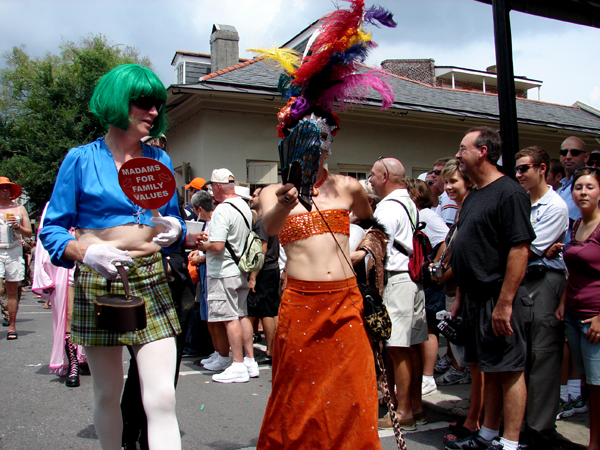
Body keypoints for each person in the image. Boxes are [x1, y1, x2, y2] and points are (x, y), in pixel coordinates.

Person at [39, 64, 183, 450]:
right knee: (106, 393)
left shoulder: (161, 161)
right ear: (118, 102)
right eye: (142, 103)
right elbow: (51, 230)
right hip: (98, 281)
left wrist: (177, 230)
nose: (152, 112)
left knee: (162, 397)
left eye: (156, 104)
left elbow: (174, 222)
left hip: (151, 277)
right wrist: (85, 251)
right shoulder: (80, 159)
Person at [447, 127, 535, 450]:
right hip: (476, 299)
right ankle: (487, 435)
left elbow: (519, 249)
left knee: (510, 370)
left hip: (500, 298)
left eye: (463, 148)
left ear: (482, 151)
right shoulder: (476, 194)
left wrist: (505, 303)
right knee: (492, 370)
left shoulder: (509, 193)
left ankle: (510, 443)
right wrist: (461, 298)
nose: (458, 155)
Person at [514, 146, 569, 446]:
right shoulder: (519, 201)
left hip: (544, 282)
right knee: (522, 353)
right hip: (521, 281)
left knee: (544, 354)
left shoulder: (555, 206)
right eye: (517, 169)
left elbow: (526, 248)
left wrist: (525, 246)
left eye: (524, 168)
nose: (519, 174)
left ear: (543, 169)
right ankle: (519, 422)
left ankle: (540, 426)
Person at [370, 158, 429, 432]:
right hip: (412, 280)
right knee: (412, 345)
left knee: (397, 348)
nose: (370, 180)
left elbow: (378, 250)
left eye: (372, 175)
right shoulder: (410, 202)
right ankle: (414, 406)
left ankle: (403, 412)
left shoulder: (387, 207)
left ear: (384, 176)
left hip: (398, 281)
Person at [197, 168, 258, 383]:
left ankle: (238, 364)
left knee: (230, 317)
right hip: (240, 268)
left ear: (217, 186)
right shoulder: (244, 205)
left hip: (223, 270)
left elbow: (217, 246)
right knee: (241, 315)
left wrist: (202, 244)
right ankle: (249, 361)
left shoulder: (222, 209)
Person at [556, 167, 600, 450]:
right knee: (586, 383)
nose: (583, 192)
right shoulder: (575, 226)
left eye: (590, 187)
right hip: (573, 313)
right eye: (578, 187)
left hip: (594, 317)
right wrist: (562, 303)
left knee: (597, 386)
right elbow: (572, 271)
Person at [33, 203, 87, 387]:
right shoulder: (55, 204)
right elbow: (44, 238)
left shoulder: (95, 196)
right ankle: (73, 364)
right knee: (68, 315)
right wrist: (44, 275)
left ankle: (85, 358)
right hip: (66, 264)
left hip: (93, 261)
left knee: (94, 314)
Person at [403, 178, 448, 400]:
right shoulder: (416, 216)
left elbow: (446, 239)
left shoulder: (427, 216)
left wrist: (434, 265)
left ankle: (428, 378)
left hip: (430, 280)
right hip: (421, 278)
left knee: (429, 326)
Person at [247, 186, 280, 365]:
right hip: (272, 268)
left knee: (267, 310)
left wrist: (253, 276)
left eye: (255, 195)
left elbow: (262, 250)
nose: (252, 198)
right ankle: (273, 348)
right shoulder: (270, 219)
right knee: (272, 309)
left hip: (265, 269)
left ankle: (270, 351)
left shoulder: (262, 221)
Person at [0, 176, 32, 340]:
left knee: (13, 290)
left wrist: (18, 226)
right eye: (1, 188)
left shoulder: (19, 209)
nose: (4, 191)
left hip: (13, 250)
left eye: (7, 188)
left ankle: (12, 325)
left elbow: (29, 233)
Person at [556, 136, 589, 244]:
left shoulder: (590, 187)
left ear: (586, 157)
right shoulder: (559, 189)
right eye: (564, 152)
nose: (568, 156)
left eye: (574, 152)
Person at [430, 157, 458, 226]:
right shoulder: (445, 196)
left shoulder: (448, 196)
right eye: (433, 172)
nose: (433, 175)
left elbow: (448, 227)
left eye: (437, 172)